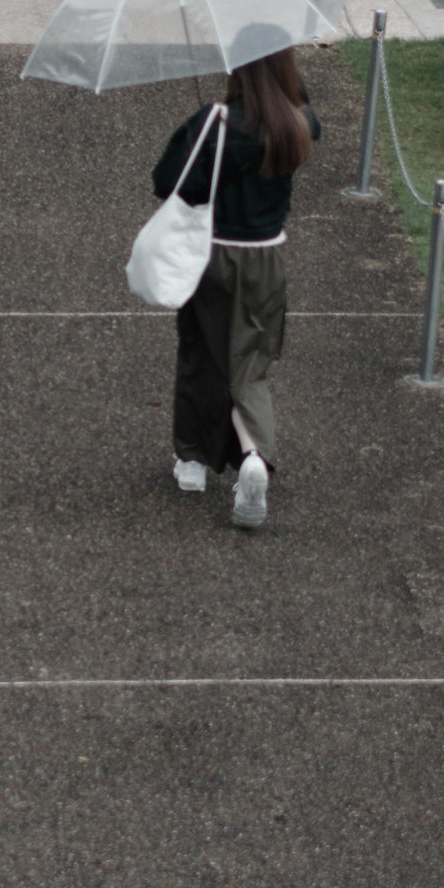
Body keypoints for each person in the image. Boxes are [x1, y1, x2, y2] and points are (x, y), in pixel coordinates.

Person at [152, 32, 311, 530]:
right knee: (251, 363)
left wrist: (200, 128)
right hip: (267, 259)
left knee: (203, 351)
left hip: (212, 256)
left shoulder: (215, 124)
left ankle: (194, 462)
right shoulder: (298, 123)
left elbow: (169, 182)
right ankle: (254, 456)